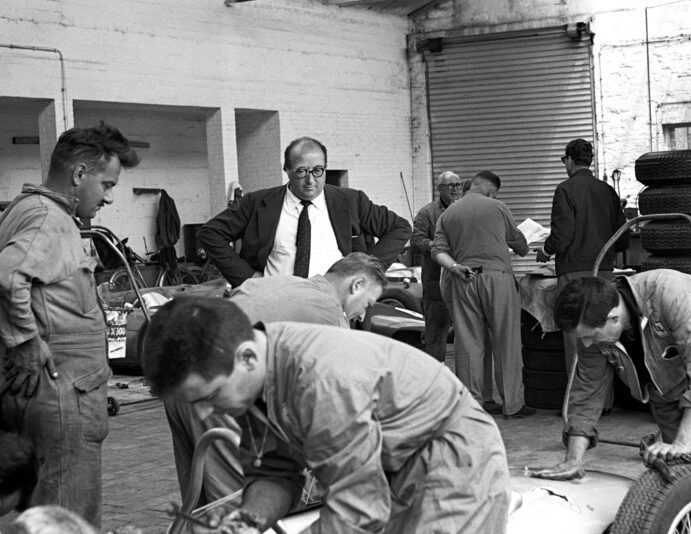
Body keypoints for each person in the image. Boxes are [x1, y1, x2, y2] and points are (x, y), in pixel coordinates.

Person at [141, 298, 511, 533]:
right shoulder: (249, 381)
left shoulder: (324, 383)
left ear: (248, 359)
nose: (207, 412)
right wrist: (245, 522)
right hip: (391, 463)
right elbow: (276, 472)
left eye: (209, 396)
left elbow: (358, 509)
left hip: (454, 459)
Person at [164, 252, 388, 507]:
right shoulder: (329, 314)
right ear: (356, 285)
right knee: (237, 502)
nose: (361, 315)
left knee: (200, 500)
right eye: (368, 304)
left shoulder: (281, 283)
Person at [0, 123, 140, 527]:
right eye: (106, 184)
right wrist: (25, 341)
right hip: (61, 396)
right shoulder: (49, 219)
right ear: (79, 174)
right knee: (65, 514)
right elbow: (9, 277)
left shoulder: (25, 210)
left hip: (43, 392)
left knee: (36, 511)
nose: (109, 197)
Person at [529, 271, 691, 481]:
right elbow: (588, 391)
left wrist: (683, 444)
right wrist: (573, 461)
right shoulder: (593, 326)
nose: (586, 344)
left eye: (591, 336)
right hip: (665, 367)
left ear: (613, 317)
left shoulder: (671, 295)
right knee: (676, 462)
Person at [198, 136, 411, 288]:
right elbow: (210, 233)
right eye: (301, 171)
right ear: (287, 170)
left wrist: (366, 272)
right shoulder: (258, 203)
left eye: (318, 170)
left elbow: (400, 228)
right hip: (275, 301)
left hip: (332, 304)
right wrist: (248, 277)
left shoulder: (350, 201)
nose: (311, 180)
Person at [432, 171, 533, 418]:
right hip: (497, 279)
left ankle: (476, 404)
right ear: (491, 191)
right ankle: (512, 404)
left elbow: (438, 252)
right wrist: (524, 245)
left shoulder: (447, 214)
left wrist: (455, 268)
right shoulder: (498, 207)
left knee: (468, 344)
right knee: (506, 341)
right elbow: (519, 244)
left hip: (463, 278)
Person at [536, 139, 628, 375]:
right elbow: (623, 238)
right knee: (602, 334)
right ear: (591, 160)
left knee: (577, 337)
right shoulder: (608, 191)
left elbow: (563, 235)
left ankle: (579, 403)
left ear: (568, 159)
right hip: (605, 272)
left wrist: (546, 251)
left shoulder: (565, 189)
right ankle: (604, 402)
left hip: (574, 274)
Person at [411, 170, 461, 363]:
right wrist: (438, 248)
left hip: (463, 281)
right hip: (436, 285)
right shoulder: (428, 213)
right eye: (450, 186)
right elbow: (416, 240)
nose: (456, 189)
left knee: (467, 333)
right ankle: (434, 375)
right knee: (436, 334)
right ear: (439, 189)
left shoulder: (466, 209)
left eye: (458, 185)